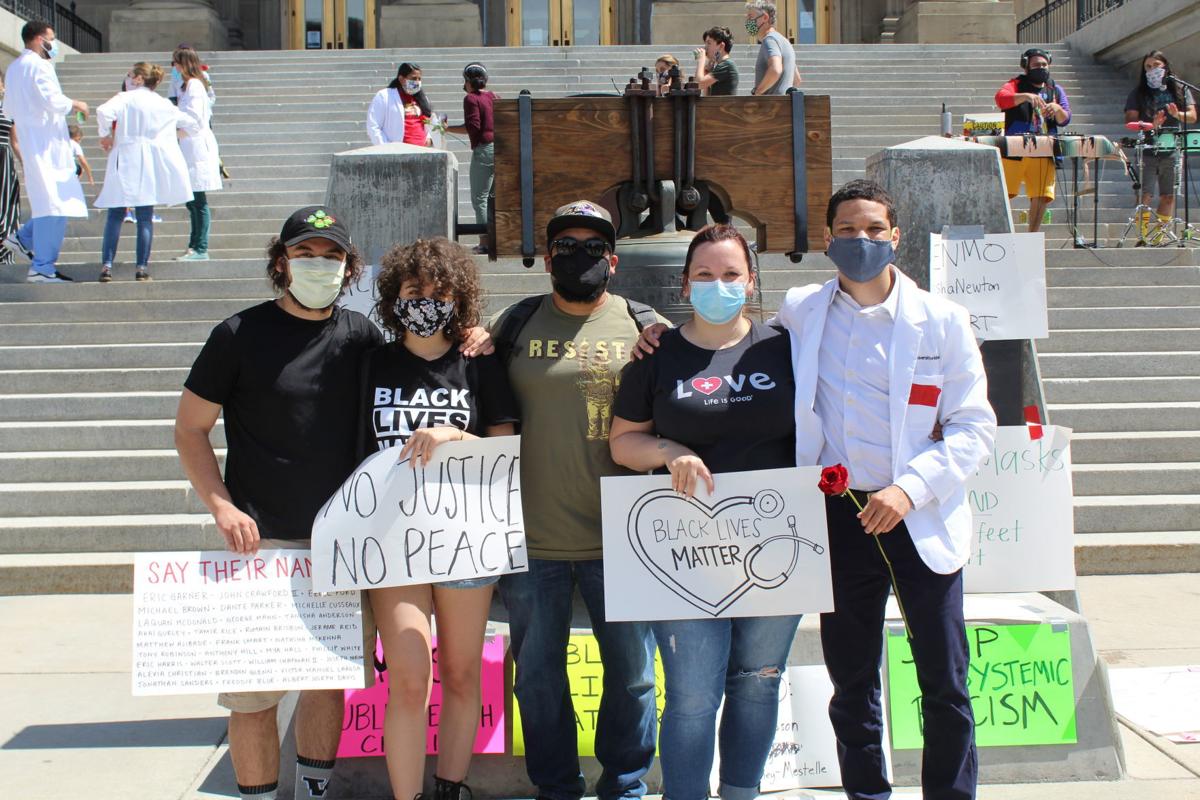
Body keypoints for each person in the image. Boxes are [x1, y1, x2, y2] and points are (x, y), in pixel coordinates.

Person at [635, 179, 996, 800]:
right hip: (839, 517)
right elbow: (723, 335)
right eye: (849, 231)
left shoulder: (943, 321)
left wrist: (909, 490)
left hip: (919, 515)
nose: (862, 241)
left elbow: (974, 427)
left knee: (944, 677)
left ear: (895, 237)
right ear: (829, 240)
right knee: (852, 677)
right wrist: (651, 329)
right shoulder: (803, 312)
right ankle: (867, 792)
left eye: (874, 230)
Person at [175, 206, 381, 800]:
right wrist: (221, 506)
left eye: (333, 256)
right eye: (306, 254)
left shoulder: (359, 336)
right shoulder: (237, 335)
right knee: (252, 694)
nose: (320, 265)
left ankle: (314, 791)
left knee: (325, 684)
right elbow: (190, 429)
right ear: (281, 262)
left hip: (338, 546)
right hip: (258, 544)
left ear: (348, 267)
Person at [609, 223, 799, 800]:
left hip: (775, 543)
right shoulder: (656, 354)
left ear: (751, 280)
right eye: (706, 275)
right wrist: (671, 452)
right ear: (686, 285)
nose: (720, 285)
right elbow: (623, 442)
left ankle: (742, 791)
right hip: (684, 550)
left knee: (759, 682)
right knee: (692, 692)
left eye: (732, 275)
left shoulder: (783, 347)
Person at [490, 200, 662, 800]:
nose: (580, 258)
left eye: (594, 248)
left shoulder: (645, 324)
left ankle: (627, 782)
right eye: (567, 247)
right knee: (537, 678)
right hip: (532, 538)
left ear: (612, 261)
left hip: (624, 539)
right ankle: (556, 786)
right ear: (546, 260)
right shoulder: (511, 326)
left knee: (634, 678)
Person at [359, 237, 519, 800]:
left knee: (461, 674)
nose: (425, 302)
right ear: (392, 297)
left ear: (460, 298)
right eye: (412, 291)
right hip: (390, 539)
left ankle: (451, 787)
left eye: (439, 292)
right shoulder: (372, 363)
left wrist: (455, 435)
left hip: (465, 536)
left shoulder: (478, 361)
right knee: (406, 676)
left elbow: (506, 447)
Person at [94, 61, 197, 282]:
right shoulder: (162, 103)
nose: (128, 78)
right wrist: (174, 134)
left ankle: (107, 265)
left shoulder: (125, 98)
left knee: (115, 214)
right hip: (149, 163)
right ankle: (141, 267)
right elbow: (191, 123)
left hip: (125, 157)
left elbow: (103, 111)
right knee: (144, 217)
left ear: (139, 78)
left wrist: (105, 134)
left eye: (130, 74)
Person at [3, 20, 89, 283]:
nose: (54, 44)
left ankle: (22, 239)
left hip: (34, 144)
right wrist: (76, 103)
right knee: (55, 206)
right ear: (40, 39)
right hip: (47, 145)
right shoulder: (39, 66)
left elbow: (8, 110)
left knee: (49, 204)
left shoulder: (14, 67)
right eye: (51, 38)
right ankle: (42, 266)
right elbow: (51, 99)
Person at [994, 48, 1070, 233]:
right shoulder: (1016, 84)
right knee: (1005, 192)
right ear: (1026, 67)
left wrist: (1056, 109)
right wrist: (1026, 97)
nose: (1041, 68)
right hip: (1015, 148)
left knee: (1041, 194)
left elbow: (1065, 118)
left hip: (1044, 149)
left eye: (1044, 65)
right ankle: (1003, 232)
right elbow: (1001, 99)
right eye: (1036, 65)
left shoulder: (1055, 89)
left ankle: (1032, 235)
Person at [1123, 50, 1197, 237]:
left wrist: (1176, 115)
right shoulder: (1138, 92)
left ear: (1165, 66)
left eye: (1156, 65)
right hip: (1148, 148)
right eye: (1148, 66)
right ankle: (1142, 235)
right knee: (1145, 195)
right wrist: (1150, 125)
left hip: (1172, 147)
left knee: (1168, 195)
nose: (1152, 69)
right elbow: (1130, 119)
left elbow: (1193, 117)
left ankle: (1159, 235)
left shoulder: (1180, 89)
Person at [173, 45, 222, 261]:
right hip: (188, 145)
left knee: (197, 199)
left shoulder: (194, 85)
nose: (173, 67)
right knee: (192, 199)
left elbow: (194, 117)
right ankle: (194, 245)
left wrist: (173, 121)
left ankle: (200, 247)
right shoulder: (186, 86)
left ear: (184, 63)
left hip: (196, 145)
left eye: (175, 62)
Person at [445, 63, 496, 254]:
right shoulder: (493, 96)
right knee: (492, 198)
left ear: (469, 81)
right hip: (498, 149)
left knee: (479, 198)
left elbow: (472, 126)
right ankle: (495, 239)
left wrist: (447, 128)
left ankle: (485, 241)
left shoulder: (471, 99)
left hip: (484, 150)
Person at [0, 73, 28, 267]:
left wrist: (26, 164)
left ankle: (4, 255)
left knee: (7, 208)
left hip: (4, 161)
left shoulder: (9, 110)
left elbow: (15, 142)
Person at [367, 63, 432, 147]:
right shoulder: (384, 96)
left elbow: (428, 123)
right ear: (401, 79)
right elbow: (373, 126)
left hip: (423, 151)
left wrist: (429, 138)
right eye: (413, 78)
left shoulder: (422, 99)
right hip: (397, 152)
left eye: (419, 79)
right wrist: (386, 148)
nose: (417, 82)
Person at [744, 1, 801, 96]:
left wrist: (757, 92)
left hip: (771, 107)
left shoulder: (769, 40)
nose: (747, 22)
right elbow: (797, 79)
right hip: (783, 106)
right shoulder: (784, 41)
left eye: (750, 17)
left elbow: (775, 70)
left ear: (765, 18)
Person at [693, 27, 738, 97]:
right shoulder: (721, 65)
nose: (705, 47)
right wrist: (707, 71)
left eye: (709, 43)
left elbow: (698, 84)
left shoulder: (726, 65)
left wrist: (701, 60)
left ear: (721, 46)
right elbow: (706, 95)